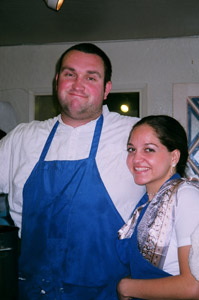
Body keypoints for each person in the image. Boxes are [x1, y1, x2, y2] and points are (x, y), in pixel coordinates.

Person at [0, 43, 145, 299]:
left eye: (91, 77)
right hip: (34, 290)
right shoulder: (22, 138)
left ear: (106, 89)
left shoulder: (137, 135)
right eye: (70, 74)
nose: (78, 84)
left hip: (108, 292)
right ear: (57, 81)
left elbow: (175, 196)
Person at [116, 115, 199, 300]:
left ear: (174, 156)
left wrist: (126, 287)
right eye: (131, 149)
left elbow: (194, 286)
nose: (136, 158)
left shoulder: (185, 196)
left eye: (149, 149)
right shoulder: (145, 202)